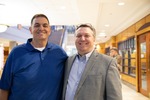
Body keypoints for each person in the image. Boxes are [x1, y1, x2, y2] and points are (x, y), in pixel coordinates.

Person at [0, 14, 68, 100]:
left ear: (49, 30)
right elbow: (4, 88)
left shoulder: (59, 53)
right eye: (37, 25)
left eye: (45, 25)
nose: (41, 28)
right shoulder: (16, 53)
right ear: (31, 30)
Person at [62, 24, 122, 100]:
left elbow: (115, 97)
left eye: (86, 36)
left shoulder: (108, 63)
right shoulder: (68, 61)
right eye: (79, 36)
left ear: (94, 39)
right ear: (75, 39)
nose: (82, 39)